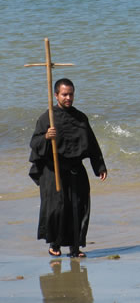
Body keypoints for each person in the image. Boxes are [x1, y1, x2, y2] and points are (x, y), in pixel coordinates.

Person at [28, 78, 107, 258]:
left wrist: (99, 166)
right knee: (57, 209)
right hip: (53, 170)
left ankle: (75, 247)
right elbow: (34, 143)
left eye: (71, 94)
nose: (68, 98)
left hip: (75, 170)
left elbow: (92, 144)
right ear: (56, 95)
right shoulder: (46, 118)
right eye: (64, 94)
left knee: (79, 207)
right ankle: (54, 245)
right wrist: (47, 137)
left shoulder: (80, 117)